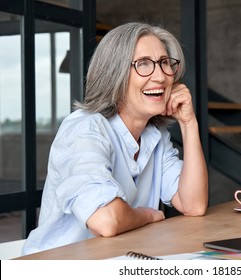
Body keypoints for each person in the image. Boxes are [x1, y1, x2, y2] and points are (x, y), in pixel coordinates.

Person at [22, 22, 208, 255]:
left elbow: (194, 204)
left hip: (118, 262)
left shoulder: (155, 136)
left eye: (164, 63)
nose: (160, 76)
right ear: (114, 74)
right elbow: (106, 220)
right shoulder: (84, 128)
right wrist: (148, 215)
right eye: (143, 64)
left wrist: (189, 123)